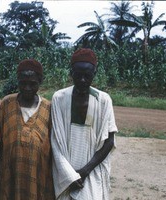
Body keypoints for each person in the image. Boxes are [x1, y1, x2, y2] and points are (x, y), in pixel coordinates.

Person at [51, 48, 118, 200]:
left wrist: (85, 171)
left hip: (93, 169)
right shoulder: (59, 98)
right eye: (78, 75)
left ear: (94, 74)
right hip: (65, 172)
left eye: (87, 76)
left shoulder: (103, 100)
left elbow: (109, 141)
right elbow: (55, 141)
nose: (82, 80)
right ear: (71, 73)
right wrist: (69, 174)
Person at [0, 59, 55, 200]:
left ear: (40, 81)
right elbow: (0, 143)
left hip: (38, 177)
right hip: (10, 176)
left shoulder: (48, 109)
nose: (27, 87)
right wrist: (0, 176)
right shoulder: (6, 104)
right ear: (18, 81)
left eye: (32, 84)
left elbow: (53, 147)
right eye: (23, 83)